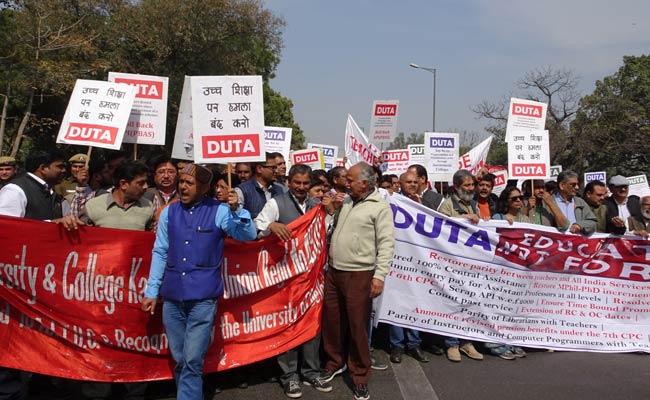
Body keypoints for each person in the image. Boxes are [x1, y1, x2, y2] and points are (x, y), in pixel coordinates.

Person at [141, 163, 256, 400]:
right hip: (172, 296)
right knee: (180, 357)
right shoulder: (169, 212)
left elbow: (247, 235)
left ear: (204, 188)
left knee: (193, 359)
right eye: (181, 182)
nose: (182, 186)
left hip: (203, 298)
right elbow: (160, 251)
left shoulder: (220, 211)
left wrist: (237, 210)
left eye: (189, 183)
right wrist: (152, 290)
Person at [0, 150, 82, 400]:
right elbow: (7, 228)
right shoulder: (15, 191)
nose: (64, 171)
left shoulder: (50, 192)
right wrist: (51, 224)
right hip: (14, 282)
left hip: (37, 280)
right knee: (12, 337)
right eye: (59, 166)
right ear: (43, 167)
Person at [255, 164, 333, 398]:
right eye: (297, 183)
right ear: (288, 181)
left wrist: (330, 213)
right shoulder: (275, 203)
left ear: (311, 184)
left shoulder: (317, 205)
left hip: (312, 277)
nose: (301, 187)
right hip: (286, 278)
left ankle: (310, 370)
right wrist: (271, 225)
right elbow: (256, 227)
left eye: (305, 184)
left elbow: (325, 233)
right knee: (288, 326)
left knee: (312, 325)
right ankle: (289, 375)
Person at [77, 160, 153, 400]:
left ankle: (135, 391)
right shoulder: (93, 207)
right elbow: (75, 244)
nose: (145, 186)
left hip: (134, 291)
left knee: (135, 341)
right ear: (123, 183)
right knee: (99, 345)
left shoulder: (148, 208)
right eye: (140, 182)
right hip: (99, 293)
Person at [321, 162, 394, 400]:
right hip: (334, 272)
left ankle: (360, 374)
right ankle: (335, 362)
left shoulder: (380, 207)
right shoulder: (347, 201)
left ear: (364, 183)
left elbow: (386, 244)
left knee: (357, 327)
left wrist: (379, 275)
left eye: (350, 180)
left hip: (360, 274)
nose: (345, 183)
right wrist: (332, 209)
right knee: (333, 321)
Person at [437, 169, 484, 362]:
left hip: (469, 263)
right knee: (452, 303)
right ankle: (452, 344)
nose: (471, 188)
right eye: (467, 185)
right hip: (451, 262)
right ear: (456, 187)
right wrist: (465, 219)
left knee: (468, 303)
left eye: (472, 184)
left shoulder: (474, 204)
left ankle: (467, 342)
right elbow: (440, 226)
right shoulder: (447, 205)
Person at [388, 171, 429, 364]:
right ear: (400, 185)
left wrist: (422, 209)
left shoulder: (425, 204)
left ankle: (414, 344)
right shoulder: (391, 202)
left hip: (417, 261)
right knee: (396, 303)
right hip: (396, 260)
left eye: (415, 182)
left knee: (415, 302)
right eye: (408, 182)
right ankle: (397, 345)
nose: (412, 185)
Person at [235, 153, 284, 219]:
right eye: (273, 168)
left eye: (276, 167)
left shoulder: (279, 190)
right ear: (259, 169)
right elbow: (238, 219)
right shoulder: (242, 190)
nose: (276, 171)